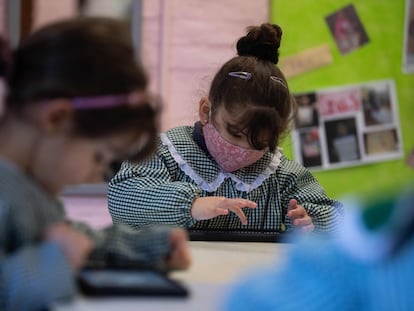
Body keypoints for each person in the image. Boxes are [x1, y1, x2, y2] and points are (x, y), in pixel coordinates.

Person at [0, 17, 191, 311]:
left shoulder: (31, 190)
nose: (97, 173)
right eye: (99, 156)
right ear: (56, 118)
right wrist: (54, 259)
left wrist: (148, 246)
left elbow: (79, 240)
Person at [108, 23, 343, 233]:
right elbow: (122, 198)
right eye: (235, 133)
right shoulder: (168, 153)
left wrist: (312, 220)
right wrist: (190, 205)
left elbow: (339, 219)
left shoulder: (279, 174)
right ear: (206, 111)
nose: (242, 149)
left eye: (259, 143)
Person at [223, 184, 414, 310]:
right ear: (206, 119)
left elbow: (332, 215)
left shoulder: (288, 174)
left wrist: (311, 220)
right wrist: (193, 207)